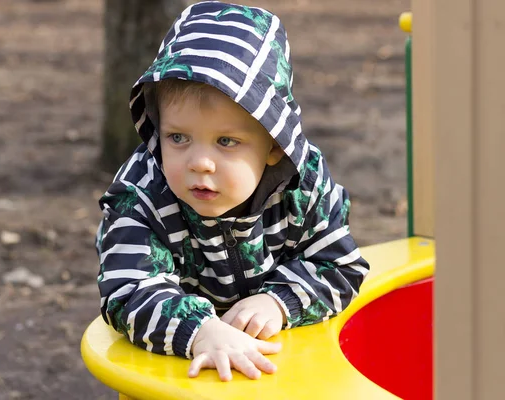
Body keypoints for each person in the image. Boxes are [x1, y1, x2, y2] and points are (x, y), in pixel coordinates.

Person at [95, 1, 369, 382]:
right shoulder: (143, 195)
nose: (200, 162)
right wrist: (201, 331)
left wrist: (279, 301)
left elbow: (339, 266)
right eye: (178, 137)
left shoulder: (302, 189)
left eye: (226, 141)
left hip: (275, 364)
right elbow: (129, 287)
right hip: (175, 368)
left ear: (274, 145)